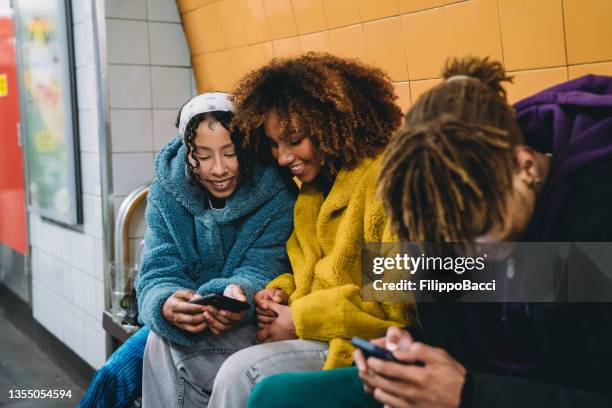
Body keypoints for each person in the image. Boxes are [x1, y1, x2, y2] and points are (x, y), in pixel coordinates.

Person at [247, 58, 612, 407]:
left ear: (525, 166)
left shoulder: (593, 219)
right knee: (274, 396)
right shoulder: (425, 211)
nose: (470, 257)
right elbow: (433, 310)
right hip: (478, 386)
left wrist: (468, 395)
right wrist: (413, 352)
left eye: (480, 230)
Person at [142, 53, 411, 407]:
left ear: (332, 123)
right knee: (161, 342)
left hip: (349, 341)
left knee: (241, 372)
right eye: (273, 144)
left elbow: (399, 304)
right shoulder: (314, 190)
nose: (283, 158)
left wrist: (300, 317)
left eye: (294, 139)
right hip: (301, 324)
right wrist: (277, 293)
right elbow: (301, 272)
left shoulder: (386, 186)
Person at [78, 92, 295, 408]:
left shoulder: (276, 192)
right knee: (113, 375)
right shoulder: (167, 191)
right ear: (185, 150)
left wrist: (237, 295)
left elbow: (266, 264)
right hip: (179, 320)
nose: (218, 169)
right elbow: (158, 265)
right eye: (203, 156)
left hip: (245, 321)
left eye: (231, 153)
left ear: (247, 146)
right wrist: (165, 303)